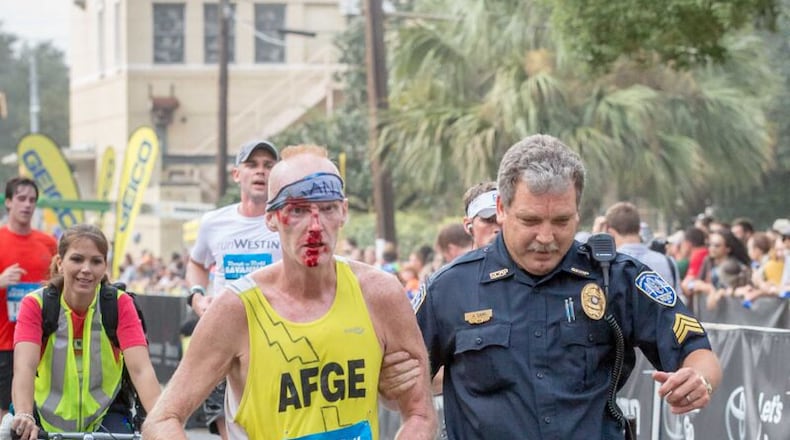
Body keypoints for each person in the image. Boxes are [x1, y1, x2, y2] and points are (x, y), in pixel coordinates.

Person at [412, 134, 721, 439]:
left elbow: (697, 352)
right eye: (531, 221)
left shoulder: (616, 277)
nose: (546, 237)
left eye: (561, 221)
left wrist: (698, 380)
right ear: (502, 209)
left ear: (578, 212)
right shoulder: (450, 288)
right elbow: (396, 384)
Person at [142, 145, 437, 440]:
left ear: (343, 211)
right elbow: (162, 419)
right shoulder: (237, 309)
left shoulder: (380, 294)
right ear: (270, 218)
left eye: (327, 208)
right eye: (297, 210)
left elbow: (421, 414)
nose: (315, 227)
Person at [11, 224, 160, 440]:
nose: (86, 269)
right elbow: (24, 366)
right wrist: (25, 414)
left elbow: (141, 370)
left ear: (104, 267)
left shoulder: (119, 304)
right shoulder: (37, 304)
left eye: (96, 261)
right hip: (43, 418)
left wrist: (160, 421)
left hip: (105, 415)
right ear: (61, 263)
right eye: (77, 259)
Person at [185, 140, 283, 438]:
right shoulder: (214, 222)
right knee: (230, 429)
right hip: (223, 336)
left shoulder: (287, 220)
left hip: (274, 339)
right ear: (236, 174)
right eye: (252, 165)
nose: (260, 171)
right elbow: (196, 263)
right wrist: (197, 298)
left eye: (268, 165)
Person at [0, 177, 58, 420]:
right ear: (9, 203)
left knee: (39, 412)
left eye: (32, 200)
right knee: (6, 415)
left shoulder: (48, 243)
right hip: (5, 343)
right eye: (21, 199)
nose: (27, 205)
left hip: (43, 342)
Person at [602, 202, 681, 292]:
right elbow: (679, 299)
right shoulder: (669, 262)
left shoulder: (607, 265)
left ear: (610, 232)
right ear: (639, 228)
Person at [461, 182, 501, 250]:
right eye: (489, 220)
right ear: (468, 225)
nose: (498, 229)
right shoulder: (461, 261)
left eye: (504, 222)